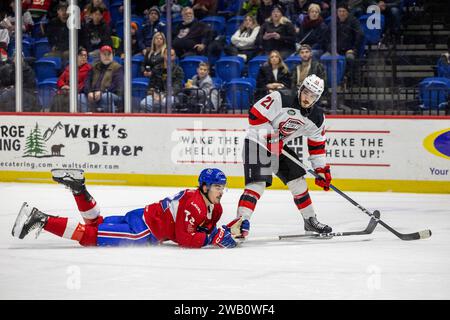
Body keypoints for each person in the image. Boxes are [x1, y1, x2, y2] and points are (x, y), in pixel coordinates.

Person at [12, 168, 240, 249]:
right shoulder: (194, 203)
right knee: (90, 236)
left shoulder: (214, 208)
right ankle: (40, 219)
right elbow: (184, 237)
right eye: (217, 187)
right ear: (204, 186)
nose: (221, 191)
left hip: (142, 216)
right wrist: (212, 239)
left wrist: (229, 230)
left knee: (96, 224)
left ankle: (79, 190)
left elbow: (206, 228)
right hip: (141, 233)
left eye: (223, 187)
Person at [233, 74, 332, 238]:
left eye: (313, 96)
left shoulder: (317, 117)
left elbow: (317, 145)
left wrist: (321, 169)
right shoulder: (281, 97)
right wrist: (271, 135)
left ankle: (310, 220)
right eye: (306, 92)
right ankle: (240, 223)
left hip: (279, 147)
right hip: (257, 141)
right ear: (301, 88)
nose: (308, 98)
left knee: (298, 180)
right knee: (257, 184)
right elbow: (255, 114)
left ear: (318, 98)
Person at [140, 48, 184, 112]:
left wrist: (164, 95)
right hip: (156, 94)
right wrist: (153, 93)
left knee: (166, 102)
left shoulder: (178, 70)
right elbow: (151, 85)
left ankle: (165, 120)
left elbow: (177, 86)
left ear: (174, 57)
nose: (169, 57)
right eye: (167, 54)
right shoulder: (156, 68)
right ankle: (151, 119)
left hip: (170, 95)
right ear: (163, 55)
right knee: (144, 103)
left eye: (171, 55)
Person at [49, 47, 92, 112]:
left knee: (69, 99)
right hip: (66, 91)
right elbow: (60, 79)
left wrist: (72, 89)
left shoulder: (89, 69)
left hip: (78, 92)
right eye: (81, 55)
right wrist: (63, 86)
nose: (83, 57)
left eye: (85, 55)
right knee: (57, 98)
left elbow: (85, 83)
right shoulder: (70, 67)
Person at [84, 45, 124, 112]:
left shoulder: (118, 67)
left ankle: (109, 120)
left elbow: (117, 85)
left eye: (109, 54)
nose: (107, 56)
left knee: (106, 97)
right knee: (81, 97)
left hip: (113, 94)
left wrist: (102, 92)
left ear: (112, 55)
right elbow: (87, 81)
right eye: (104, 54)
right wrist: (89, 92)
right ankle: (84, 121)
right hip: (94, 93)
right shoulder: (94, 67)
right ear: (100, 55)